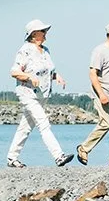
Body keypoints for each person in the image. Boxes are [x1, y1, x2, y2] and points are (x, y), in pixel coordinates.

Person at [6, 19, 74, 168]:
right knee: (43, 123)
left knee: (25, 127)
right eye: (43, 31)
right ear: (34, 34)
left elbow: (48, 71)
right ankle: (58, 156)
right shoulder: (25, 50)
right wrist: (30, 77)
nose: (45, 34)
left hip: (42, 95)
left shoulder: (46, 51)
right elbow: (14, 71)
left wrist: (57, 77)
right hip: (27, 93)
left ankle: (12, 158)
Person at [76, 21, 109, 166]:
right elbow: (93, 74)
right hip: (103, 94)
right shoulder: (100, 51)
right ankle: (83, 148)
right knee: (106, 123)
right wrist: (101, 94)